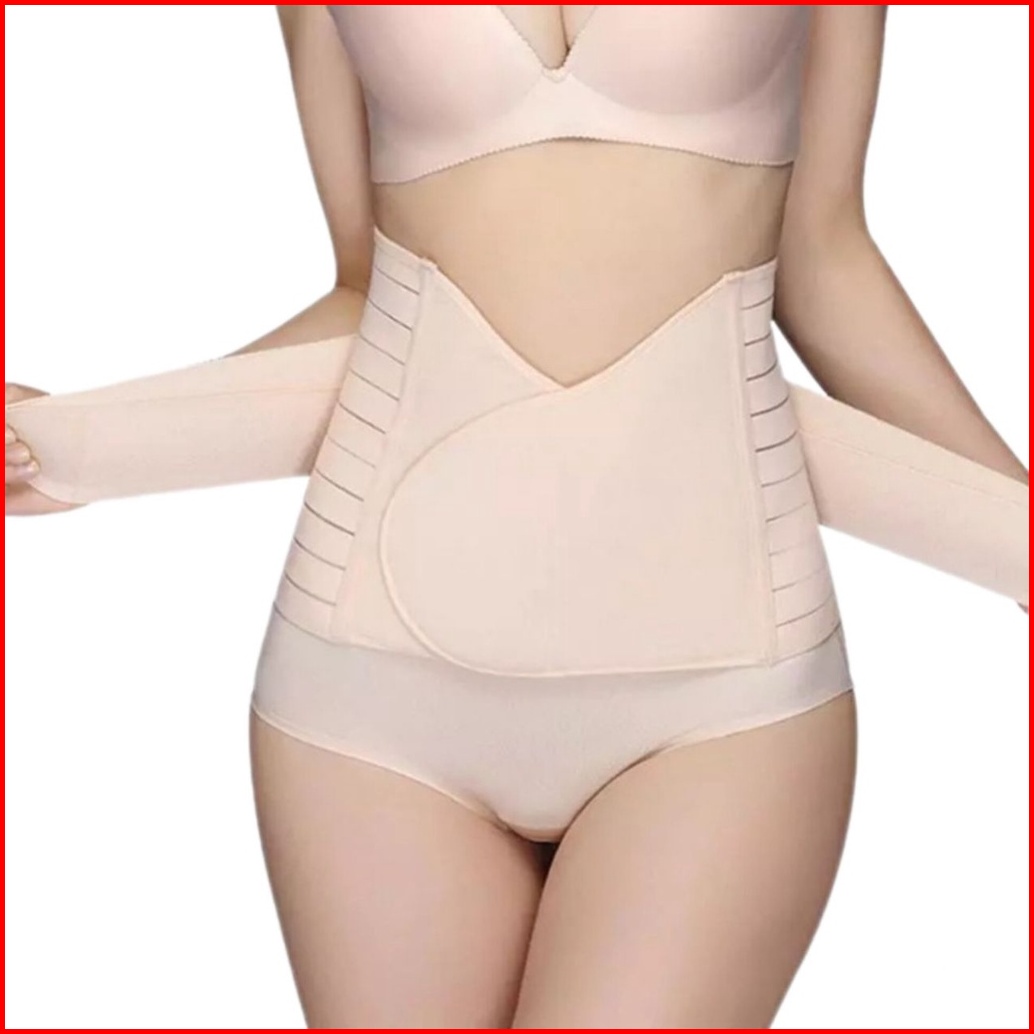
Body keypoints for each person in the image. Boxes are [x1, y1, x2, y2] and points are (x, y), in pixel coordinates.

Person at [5, 6, 1028, 1029]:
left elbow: (825, 258)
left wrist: (1016, 538)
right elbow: (370, 295)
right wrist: (82, 444)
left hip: (720, 692)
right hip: (370, 686)